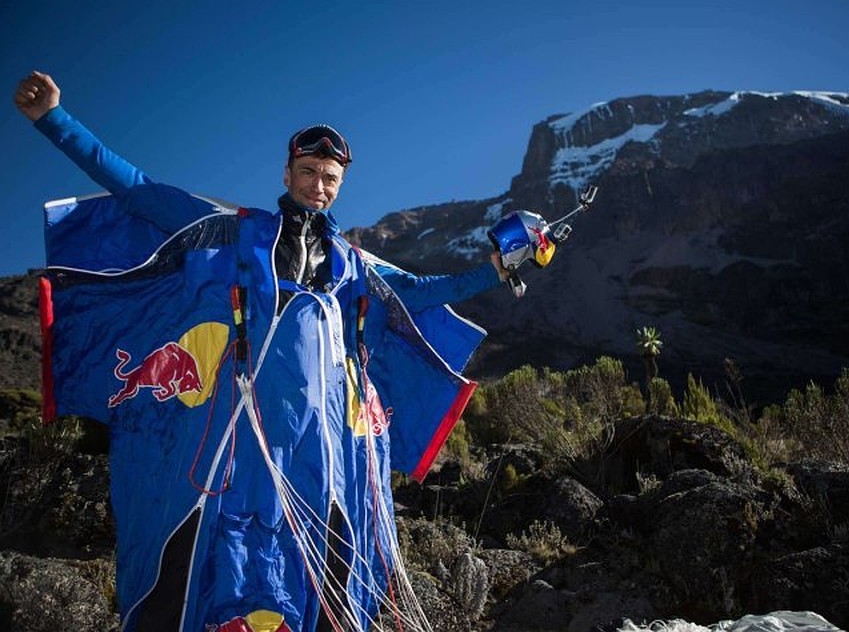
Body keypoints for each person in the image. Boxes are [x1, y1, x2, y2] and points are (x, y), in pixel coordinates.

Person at [16, 71, 510, 632]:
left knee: (325, 555)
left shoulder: (352, 265)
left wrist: (493, 270)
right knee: (222, 544)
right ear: (287, 173)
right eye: (307, 173)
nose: (317, 185)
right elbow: (139, 190)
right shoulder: (236, 232)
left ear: (341, 184)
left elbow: (421, 294)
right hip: (242, 429)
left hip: (320, 440)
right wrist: (55, 121)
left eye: (329, 177)